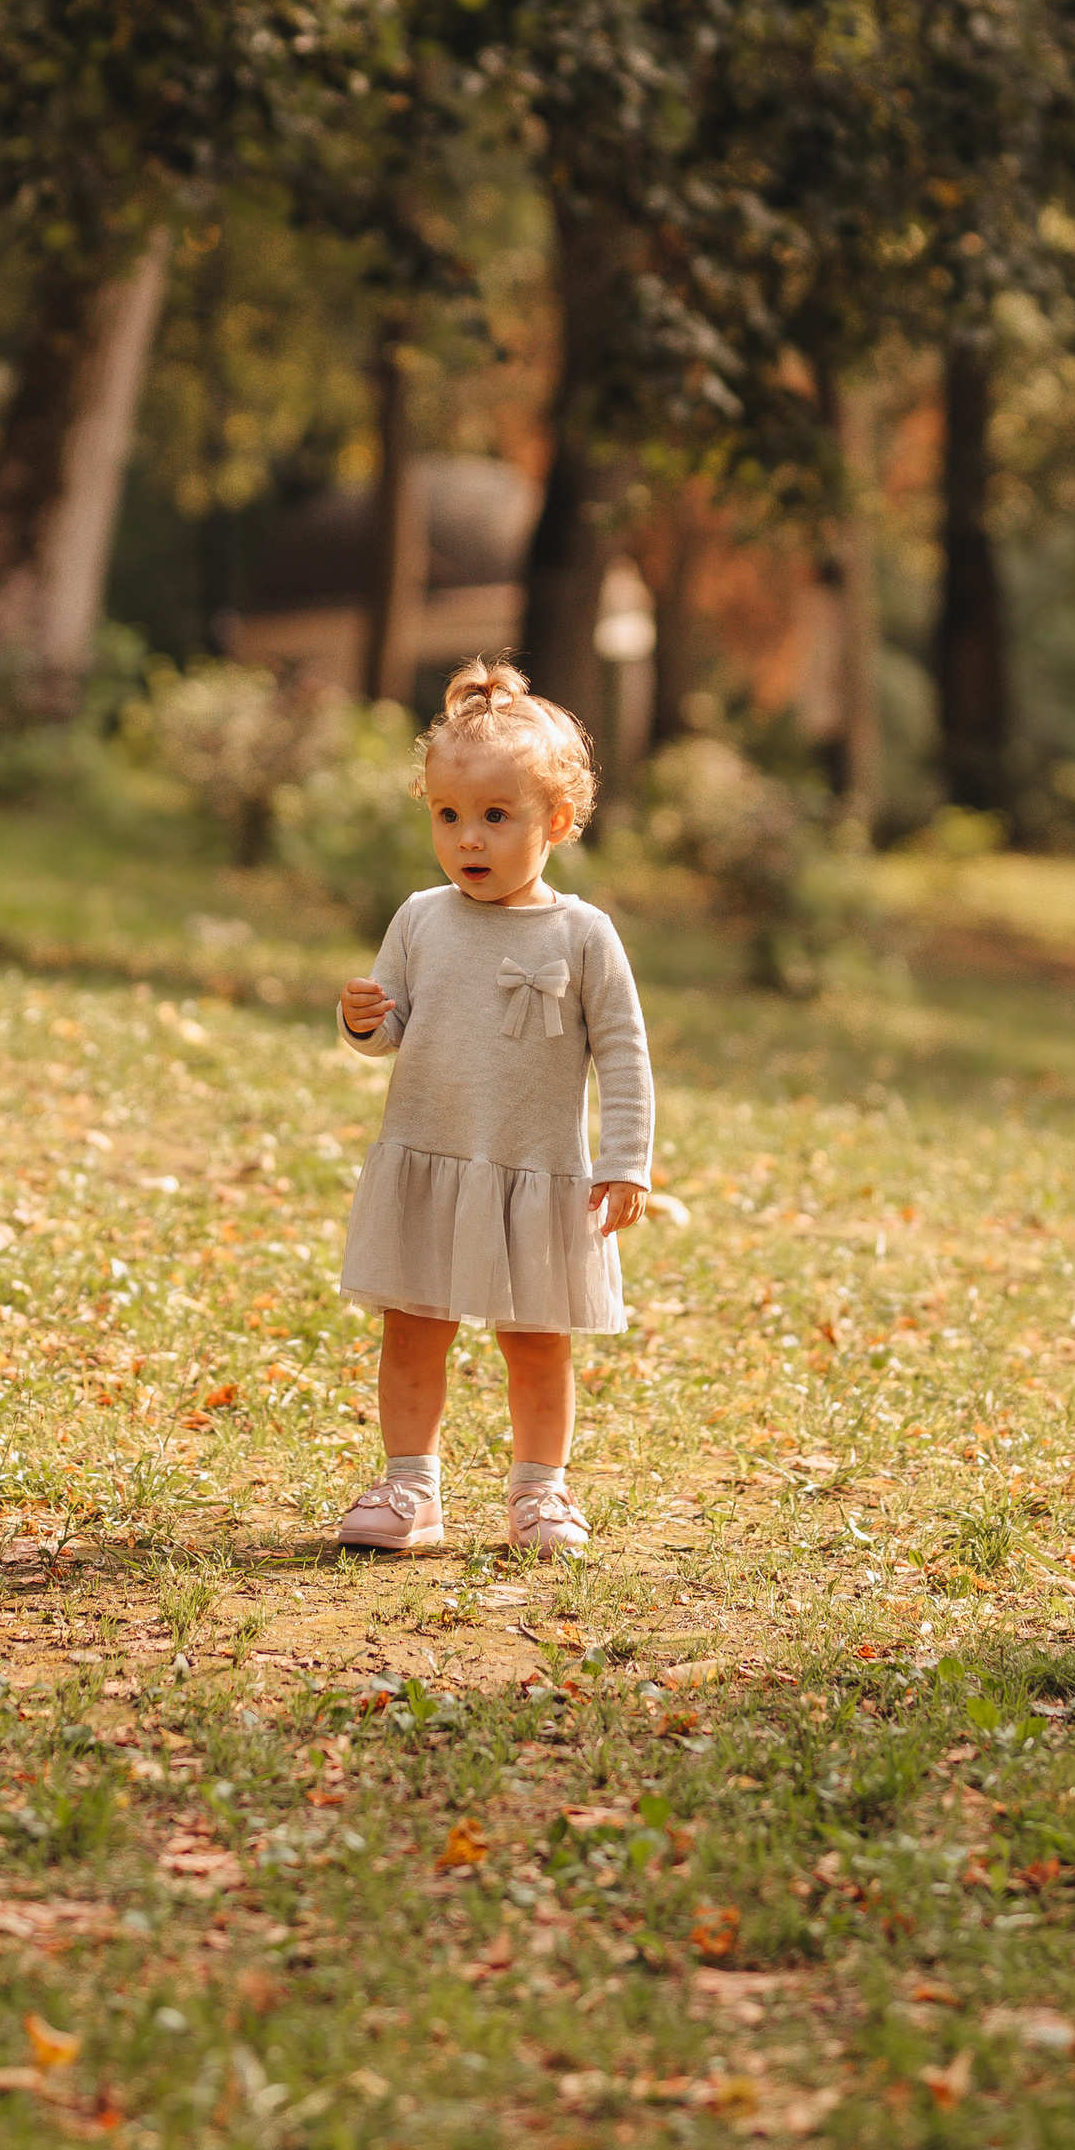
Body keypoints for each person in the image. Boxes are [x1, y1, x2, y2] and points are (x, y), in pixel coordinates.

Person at [333, 658, 653, 1560]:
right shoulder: (420, 918)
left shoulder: (583, 934)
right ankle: (410, 1487)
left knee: (538, 1343)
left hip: (536, 1170)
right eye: (447, 815)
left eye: (496, 817)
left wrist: (626, 1160)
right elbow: (390, 1029)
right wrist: (363, 1021)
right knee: (412, 1331)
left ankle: (539, 1492)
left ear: (560, 820)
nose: (467, 838)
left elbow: (624, 1052)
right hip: (429, 1154)